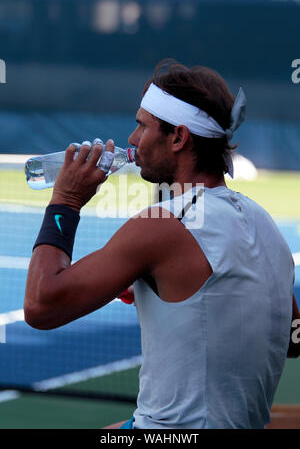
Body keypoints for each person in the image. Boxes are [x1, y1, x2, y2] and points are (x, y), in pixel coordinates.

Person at [24, 60, 298, 429]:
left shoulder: (162, 225)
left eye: (142, 125)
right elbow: (293, 338)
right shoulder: (265, 224)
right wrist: (182, 294)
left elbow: (41, 305)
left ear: (178, 138)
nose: (132, 139)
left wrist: (66, 202)